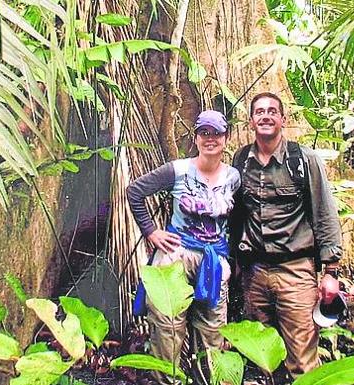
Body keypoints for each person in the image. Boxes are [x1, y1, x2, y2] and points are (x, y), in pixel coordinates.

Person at [230, 92, 342, 380]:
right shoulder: (241, 160)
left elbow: (325, 212)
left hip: (296, 271)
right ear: (251, 120)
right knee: (262, 359)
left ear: (283, 119)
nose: (265, 116)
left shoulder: (303, 160)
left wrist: (331, 271)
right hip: (254, 274)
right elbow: (235, 214)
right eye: (259, 112)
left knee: (302, 361)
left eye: (272, 111)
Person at [127, 110, 240, 384]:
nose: (210, 139)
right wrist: (152, 232)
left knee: (212, 331)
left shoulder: (234, 177)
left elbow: (238, 218)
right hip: (175, 256)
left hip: (213, 260)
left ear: (226, 139)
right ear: (196, 137)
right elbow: (135, 191)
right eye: (204, 133)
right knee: (168, 329)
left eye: (216, 134)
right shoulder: (177, 170)